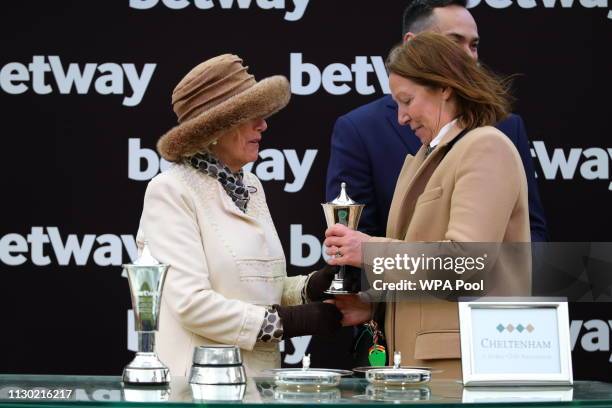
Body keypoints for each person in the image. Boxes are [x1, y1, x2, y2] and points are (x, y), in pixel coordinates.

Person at [324, 32, 531, 378]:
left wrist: (368, 250)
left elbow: (465, 265)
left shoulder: (485, 147)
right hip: (425, 369)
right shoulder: (431, 155)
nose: (402, 117)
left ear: (444, 87)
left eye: (407, 100)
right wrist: (374, 306)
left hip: (464, 370)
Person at [136, 54, 341, 377]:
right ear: (216, 128)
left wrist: (312, 287)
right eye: (251, 116)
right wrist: (289, 322)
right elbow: (192, 305)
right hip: (199, 388)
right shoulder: (170, 190)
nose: (264, 124)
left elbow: (254, 287)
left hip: (257, 385)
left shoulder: (250, 185)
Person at [325, 0, 547, 243]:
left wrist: (369, 250)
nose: (467, 56)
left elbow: (467, 260)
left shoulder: (489, 143)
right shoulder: (419, 151)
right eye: (453, 43)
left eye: (473, 45)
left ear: (444, 88)